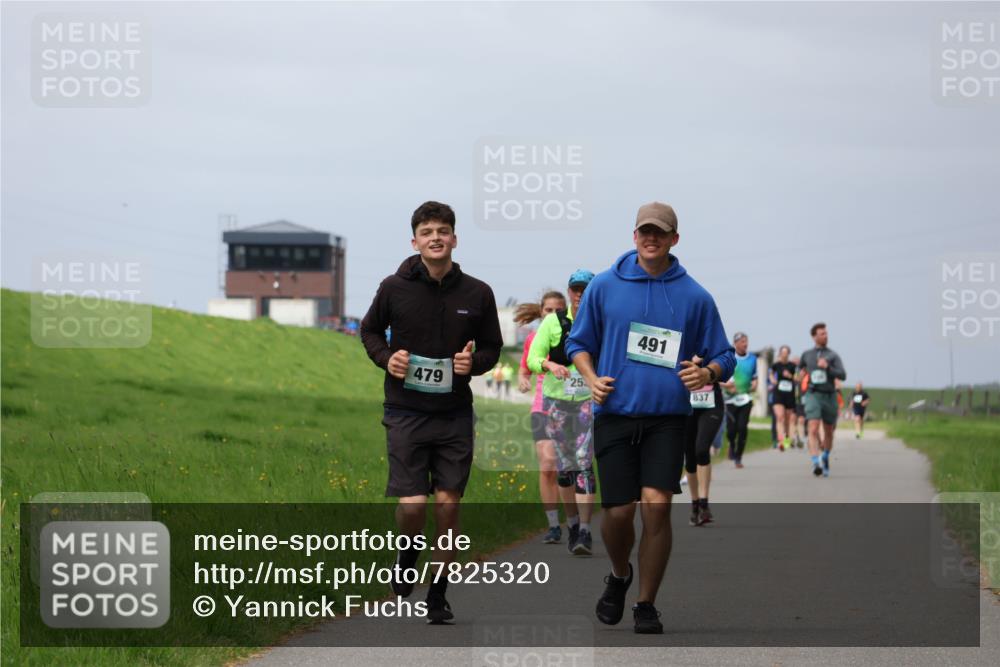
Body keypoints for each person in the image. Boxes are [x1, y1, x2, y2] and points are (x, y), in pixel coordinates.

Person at [566, 202, 735, 634]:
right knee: (619, 513)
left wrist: (708, 372)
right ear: (634, 235)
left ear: (674, 239)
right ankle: (619, 574)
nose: (651, 238)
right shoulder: (605, 286)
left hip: (667, 419)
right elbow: (578, 343)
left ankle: (646, 603)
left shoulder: (695, 296)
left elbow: (724, 354)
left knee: (656, 507)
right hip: (615, 413)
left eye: (660, 232)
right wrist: (591, 378)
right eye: (645, 231)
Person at [359, 201, 503, 624]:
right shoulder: (393, 287)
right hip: (405, 410)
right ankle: (407, 555)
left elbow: (492, 347)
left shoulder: (478, 293)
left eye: (442, 231)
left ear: (454, 239)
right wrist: (387, 358)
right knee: (413, 506)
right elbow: (369, 330)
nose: (435, 238)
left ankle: (438, 592)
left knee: (448, 505)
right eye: (427, 232)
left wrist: (473, 364)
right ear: (415, 242)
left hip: (454, 413)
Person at [527, 270, 598, 555]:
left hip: (589, 402)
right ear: (569, 292)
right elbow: (533, 358)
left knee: (584, 463)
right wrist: (549, 365)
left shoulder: (602, 319)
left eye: (586, 289)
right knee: (565, 469)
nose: (580, 294)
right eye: (576, 289)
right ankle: (572, 525)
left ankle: (585, 531)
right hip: (556, 403)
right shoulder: (553, 322)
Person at [515, 291, 571, 544]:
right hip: (541, 408)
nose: (553, 314)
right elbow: (524, 368)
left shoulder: (572, 336)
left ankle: (574, 523)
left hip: (570, 408)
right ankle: (553, 525)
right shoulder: (533, 339)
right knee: (547, 464)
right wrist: (523, 380)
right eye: (548, 310)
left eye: (558, 310)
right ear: (541, 312)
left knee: (565, 468)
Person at [798, 322, 847, 478]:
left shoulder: (833, 355)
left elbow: (843, 375)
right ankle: (815, 462)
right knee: (812, 428)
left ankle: (825, 456)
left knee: (828, 431)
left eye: (826, 333)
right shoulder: (807, 355)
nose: (825, 336)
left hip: (829, 395)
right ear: (814, 337)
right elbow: (800, 370)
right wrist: (800, 375)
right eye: (822, 334)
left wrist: (828, 367)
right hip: (813, 394)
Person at [684, 355, 724, 526]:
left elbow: (725, 366)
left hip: (711, 404)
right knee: (690, 456)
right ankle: (695, 505)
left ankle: (704, 504)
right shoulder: (681, 346)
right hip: (686, 405)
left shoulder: (711, 347)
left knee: (701, 449)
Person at [721, 332, 757, 468]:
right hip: (730, 399)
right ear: (735, 343)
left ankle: (738, 457)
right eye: (742, 341)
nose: (745, 344)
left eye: (746, 341)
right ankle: (732, 444)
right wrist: (727, 386)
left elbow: (755, 377)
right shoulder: (728, 357)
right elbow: (719, 378)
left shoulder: (752, 359)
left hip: (746, 399)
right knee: (731, 431)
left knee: (742, 428)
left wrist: (755, 384)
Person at [771, 345, 797, 451]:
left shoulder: (793, 366)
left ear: (788, 354)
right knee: (780, 417)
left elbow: (798, 378)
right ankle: (781, 441)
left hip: (789, 395)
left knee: (787, 419)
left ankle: (787, 440)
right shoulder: (776, 365)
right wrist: (773, 380)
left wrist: (790, 376)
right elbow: (771, 374)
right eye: (783, 353)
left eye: (786, 353)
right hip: (778, 394)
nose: (784, 355)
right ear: (780, 353)